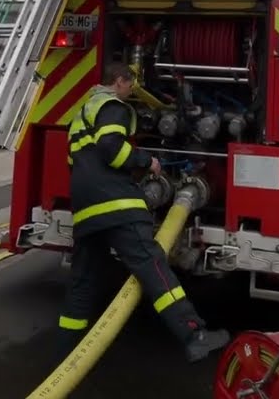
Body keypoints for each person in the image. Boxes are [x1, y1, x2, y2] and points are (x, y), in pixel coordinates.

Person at [57, 62, 230, 362]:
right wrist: (145, 161)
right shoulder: (113, 107)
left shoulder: (82, 113)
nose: (131, 91)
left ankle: (69, 351)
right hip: (116, 204)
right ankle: (193, 334)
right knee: (153, 268)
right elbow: (111, 147)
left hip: (85, 207)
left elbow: (76, 161)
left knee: (83, 279)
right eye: (131, 85)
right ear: (120, 81)